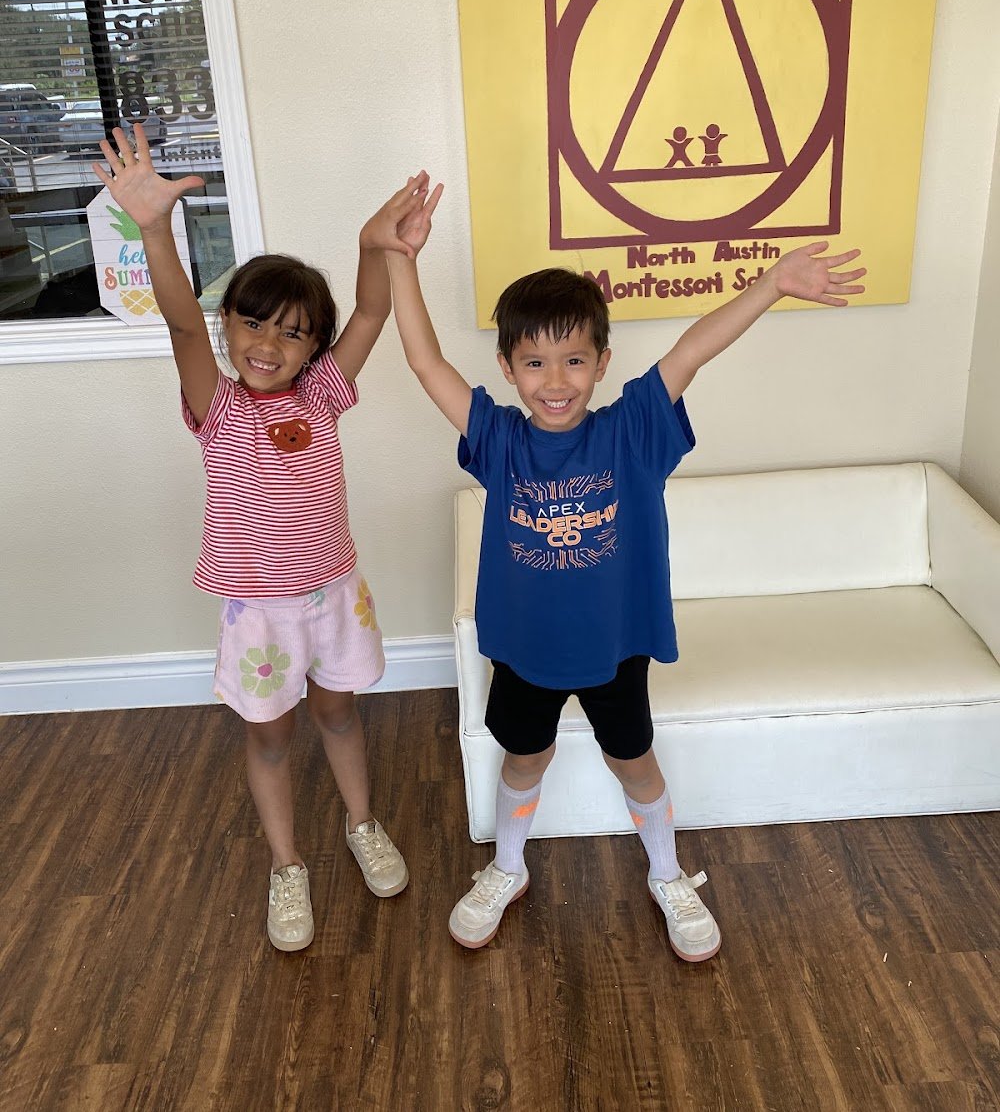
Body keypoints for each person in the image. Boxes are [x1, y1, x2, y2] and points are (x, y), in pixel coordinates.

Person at [385, 204, 864, 961]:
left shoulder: (631, 430)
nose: (555, 381)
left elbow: (691, 350)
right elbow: (423, 362)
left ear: (602, 362)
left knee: (632, 761)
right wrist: (398, 258)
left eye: (574, 360)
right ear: (507, 368)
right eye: (535, 363)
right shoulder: (497, 439)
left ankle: (667, 873)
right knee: (523, 758)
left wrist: (773, 284)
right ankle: (507, 866)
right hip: (526, 650)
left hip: (614, 651)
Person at [93, 124, 438, 952]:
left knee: (340, 716)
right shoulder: (217, 407)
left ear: (314, 347)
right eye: (253, 324)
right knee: (271, 736)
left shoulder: (322, 395)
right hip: (260, 613)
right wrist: (154, 229)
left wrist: (374, 244)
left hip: (334, 594)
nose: (268, 344)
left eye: (292, 332)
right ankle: (287, 864)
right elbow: (182, 326)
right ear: (228, 326)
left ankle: (362, 823)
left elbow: (372, 309)